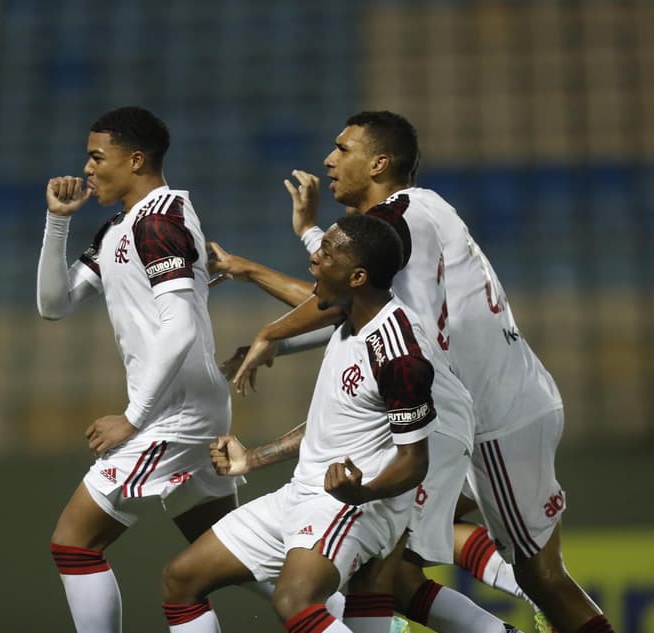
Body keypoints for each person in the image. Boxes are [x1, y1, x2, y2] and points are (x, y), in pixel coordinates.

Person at [231, 111, 614, 633]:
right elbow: (355, 296)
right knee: (391, 569)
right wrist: (306, 239)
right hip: (476, 410)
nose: (328, 159)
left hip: (494, 417)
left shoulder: (404, 214)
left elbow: (348, 298)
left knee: (540, 575)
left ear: (380, 162)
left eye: (343, 149)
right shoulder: (416, 215)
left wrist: (269, 329)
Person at [161, 214, 437, 633]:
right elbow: (331, 425)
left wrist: (360, 491)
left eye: (326, 254)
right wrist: (253, 458)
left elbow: (415, 461)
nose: (314, 261)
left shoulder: (399, 355)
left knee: (295, 600)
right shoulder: (349, 319)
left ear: (358, 276)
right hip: (300, 494)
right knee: (181, 579)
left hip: (353, 505)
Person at [35, 106, 243, 633]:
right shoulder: (120, 227)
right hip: (188, 406)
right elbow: (53, 305)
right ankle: (358, 621)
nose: (86, 167)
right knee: (234, 553)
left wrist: (132, 417)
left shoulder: (159, 221)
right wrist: (58, 221)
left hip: (172, 413)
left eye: (96, 156)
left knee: (74, 542)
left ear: (136, 159)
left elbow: (180, 330)